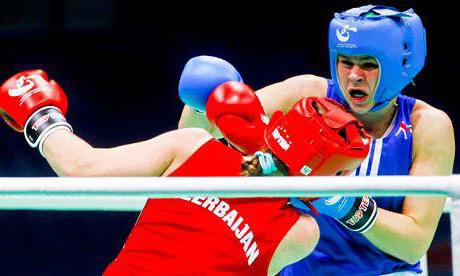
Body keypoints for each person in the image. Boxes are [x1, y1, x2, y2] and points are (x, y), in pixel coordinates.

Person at [0, 70, 373, 275]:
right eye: (344, 173)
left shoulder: (194, 145)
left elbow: (81, 166)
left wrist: (40, 115)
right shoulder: (301, 231)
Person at [177, 5, 455, 275]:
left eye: (368, 64)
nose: (354, 76)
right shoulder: (306, 95)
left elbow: (413, 244)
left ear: (401, 67)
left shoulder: (427, 126)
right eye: (346, 62)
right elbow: (199, 138)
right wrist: (206, 100)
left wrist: (341, 203)